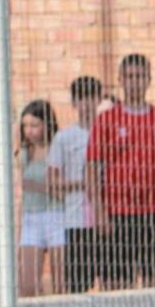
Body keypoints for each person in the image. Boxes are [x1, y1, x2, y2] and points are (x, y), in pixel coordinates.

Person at [87, 54, 155, 289]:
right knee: (117, 285)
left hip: (152, 213)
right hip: (117, 214)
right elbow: (92, 168)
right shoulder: (106, 120)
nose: (135, 81)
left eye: (140, 76)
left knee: (154, 281)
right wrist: (99, 213)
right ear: (120, 80)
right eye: (130, 76)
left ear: (149, 80)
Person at [49, 76, 102, 294]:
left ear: (99, 99)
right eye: (81, 98)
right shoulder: (64, 138)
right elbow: (52, 181)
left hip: (106, 219)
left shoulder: (106, 133)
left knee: (112, 283)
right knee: (77, 286)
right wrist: (84, 183)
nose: (87, 103)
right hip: (75, 221)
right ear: (74, 102)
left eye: (91, 97)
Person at [15, 99, 64, 297]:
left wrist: (41, 187)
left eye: (34, 125)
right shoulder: (24, 153)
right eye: (25, 125)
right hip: (31, 217)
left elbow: (61, 190)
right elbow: (22, 191)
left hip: (56, 215)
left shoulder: (58, 148)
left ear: (47, 124)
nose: (29, 131)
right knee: (27, 285)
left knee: (61, 283)